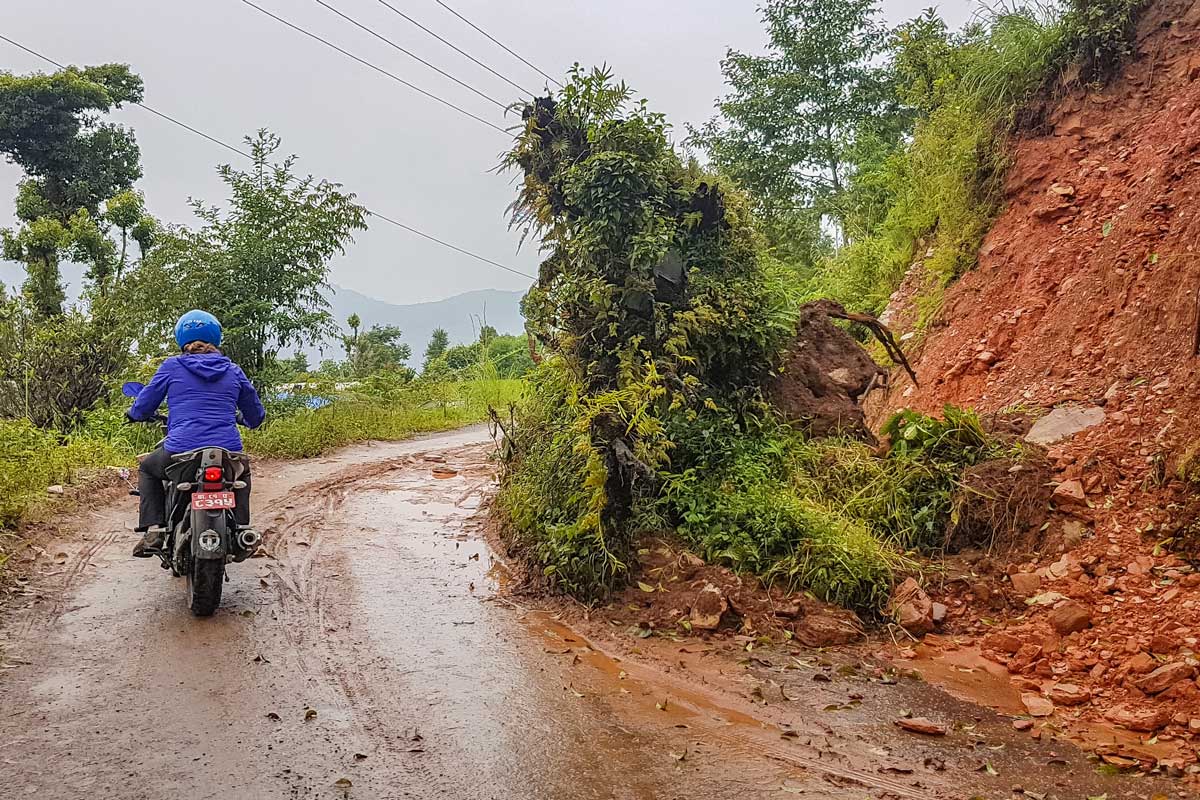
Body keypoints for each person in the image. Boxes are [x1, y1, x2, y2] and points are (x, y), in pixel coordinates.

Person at [127, 310, 266, 557]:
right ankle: (242, 530)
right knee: (242, 474)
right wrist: (244, 419)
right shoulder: (233, 370)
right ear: (216, 338)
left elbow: (145, 403)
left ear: (181, 339)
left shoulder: (171, 366)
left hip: (180, 449)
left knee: (148, 469)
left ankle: (155, 531)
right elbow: (256, 415)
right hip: (227, 451)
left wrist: (134, 413)